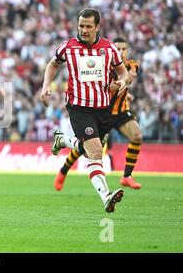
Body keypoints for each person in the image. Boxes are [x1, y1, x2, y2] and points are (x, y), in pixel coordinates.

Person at [40, 8, 130, 213]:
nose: (84, 30)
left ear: (97, 26)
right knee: (95, 152)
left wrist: (123, 81)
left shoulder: (109, 49)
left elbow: (122, 71)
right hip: (79, 107)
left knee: (89, 148)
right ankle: (106, 197)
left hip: (103, 109)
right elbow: (53, 65)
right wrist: (46, 85)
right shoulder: (68, 47)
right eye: (81, 26)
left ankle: (63, 140)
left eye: (89, 26)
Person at [54, 37, 143, 191]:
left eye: (123, 49)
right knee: (88, 148)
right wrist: (114, 88)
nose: (121, 51)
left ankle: (127, 176)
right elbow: (101, 88)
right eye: (118, 48)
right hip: (103, 111)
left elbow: (127, 77)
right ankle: (63, 171)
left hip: (121, 111)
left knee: (137, 135)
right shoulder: (104, 64)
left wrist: (126, 91)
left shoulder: (133, 65)